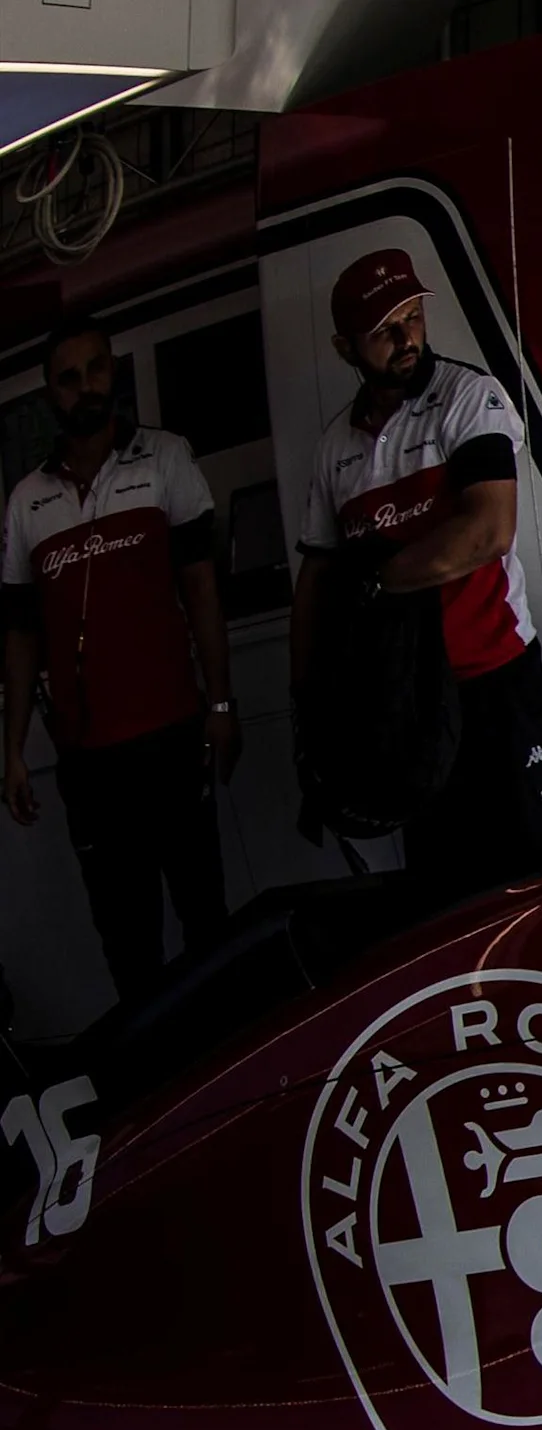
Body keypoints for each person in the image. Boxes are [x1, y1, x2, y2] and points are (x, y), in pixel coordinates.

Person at [293, 247, 542, 885]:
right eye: (383, 330)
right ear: (346, 348)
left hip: (496, 681)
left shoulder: (468, 396)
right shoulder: (335, 448)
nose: (406, 338)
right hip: (405, 704)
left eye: (413, 316)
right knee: (445, 893)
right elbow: (315, 579)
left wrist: (375, 579)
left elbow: (486, 531)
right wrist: (306, 699)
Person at [1, 318, 237, 1003]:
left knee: (204, 918)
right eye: (69, 378)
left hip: (173, 736)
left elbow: (202, 589)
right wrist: (12, 749)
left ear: (114, 373)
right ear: (51, 393)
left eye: (96, 369)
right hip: (90, 761)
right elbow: (18, 634)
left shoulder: (164, 460)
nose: (85, 388)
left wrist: (221, 705)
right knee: (127, 939)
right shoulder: (26, 503)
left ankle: (226, 1068)